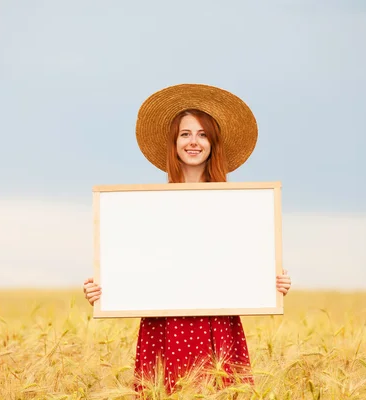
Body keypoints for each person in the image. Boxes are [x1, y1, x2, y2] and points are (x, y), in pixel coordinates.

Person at [83, 84, 292, 395]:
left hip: (217, 321)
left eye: (203, 134)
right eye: (185, 134)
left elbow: (247, 259)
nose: (194, 142)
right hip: (164, 323)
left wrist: (272, 283)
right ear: (174, 143)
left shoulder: (238, 206)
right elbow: (131, 261)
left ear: (213, 144)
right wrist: (102, 288)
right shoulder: (144, 208)